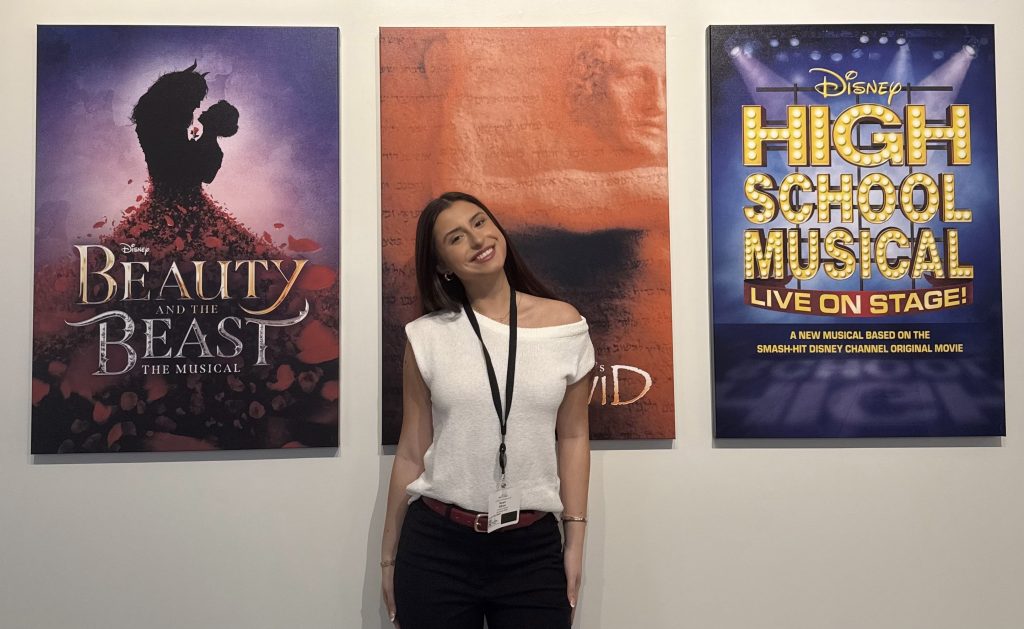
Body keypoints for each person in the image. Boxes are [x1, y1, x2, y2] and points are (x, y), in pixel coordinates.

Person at [381, 192, 594, 629]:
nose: (477, 240)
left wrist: (575, 540)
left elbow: (573, 436)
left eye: (479, 223)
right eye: (456, 237)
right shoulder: (426, 336)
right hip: (436, 547)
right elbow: (411, 451)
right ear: (443, 265)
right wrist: (388, 556)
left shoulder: (565, 326)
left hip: (531, 550)